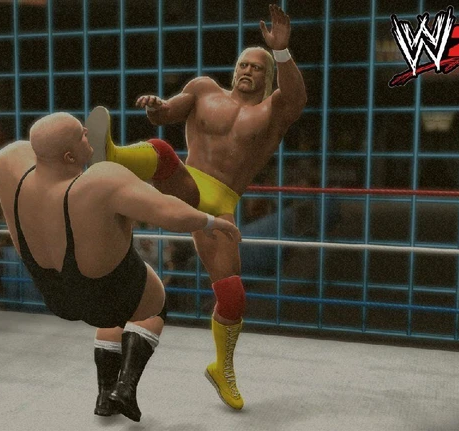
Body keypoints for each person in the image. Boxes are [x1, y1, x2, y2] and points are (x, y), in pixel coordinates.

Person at [86, 4, 306, 410]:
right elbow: (166, 113)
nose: (247, 71)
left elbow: (296, 97)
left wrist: (281, 50)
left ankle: (223, 367)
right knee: (163, 151)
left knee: (233, 296)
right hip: (185, 183)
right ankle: (111, 155)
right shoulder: (204, 89)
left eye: (256, 67)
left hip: (222, 204)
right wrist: (156, 106)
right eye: (243, 64)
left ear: (268, 75)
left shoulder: (273, 111)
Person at [0, 112, 241, 422]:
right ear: (69, 156)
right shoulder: (101, 182)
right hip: (108, 293)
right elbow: (169, 212)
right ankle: (125, 388)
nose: (87, 132)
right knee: (153, 303)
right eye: (81, 134)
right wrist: (210, 222)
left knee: (111, 311)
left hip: (56, 296)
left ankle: (104, 396)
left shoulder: (11, 159)